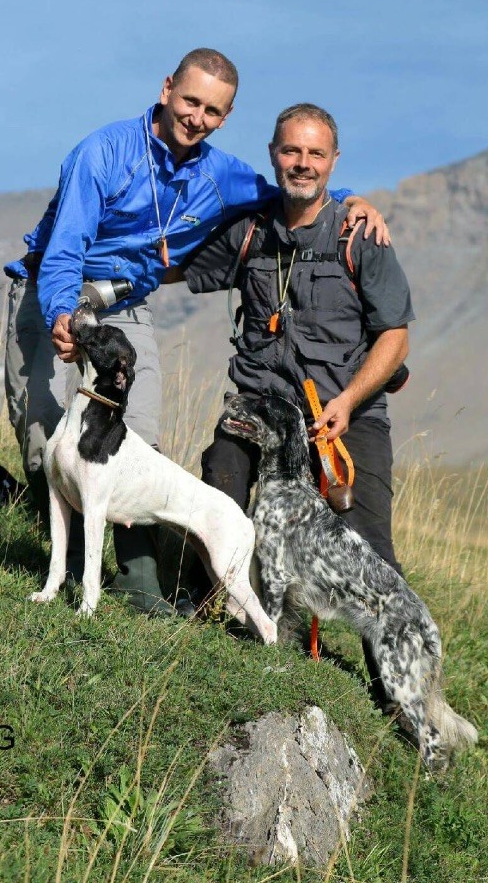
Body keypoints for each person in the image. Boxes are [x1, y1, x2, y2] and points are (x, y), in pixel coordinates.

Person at [4, 53, 387, 616]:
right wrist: (64, 315)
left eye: (213, 110)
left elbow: (289, 189)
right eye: (190, 101)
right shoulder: (102, 153)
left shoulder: (220, 173)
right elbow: (65, 249)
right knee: (41, 430)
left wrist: (351, 198)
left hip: (125, 304)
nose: (197, 117)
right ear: (166, 90)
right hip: (51, 290)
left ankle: (138, 587)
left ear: (225, 117)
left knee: (138, 434)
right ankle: (53, 562)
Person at [181, 103, 414, 702]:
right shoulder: (249, 231)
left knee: (369, 552)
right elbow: (173, 264)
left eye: (315, 153)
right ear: (273, 154)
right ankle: (204, 623)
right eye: (291, 151)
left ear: (334, 161)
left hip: (345, 415)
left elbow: (395, 337)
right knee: (219, 484)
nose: (302, 163)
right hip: (262, 405)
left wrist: (350, 399)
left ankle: (396, 693)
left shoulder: (361, 234)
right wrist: (95, 270)